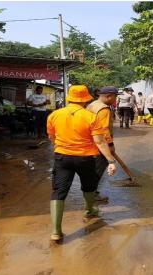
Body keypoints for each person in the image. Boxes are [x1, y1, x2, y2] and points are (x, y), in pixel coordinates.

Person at [46, 85, 117, 241]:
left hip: (62, 158)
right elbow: (99, 141)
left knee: (58, 191)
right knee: (89, 186)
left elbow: (52, 137)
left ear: (69, 98)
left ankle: (56, 231)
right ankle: (90, 209)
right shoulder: (90, 117)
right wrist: (111, 160)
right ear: (85, 99)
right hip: (85, 159)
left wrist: (62, 147)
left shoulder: (54, 115)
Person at [86, 86, 119, 202]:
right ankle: (92, 194)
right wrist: (110, 145)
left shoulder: (92, 104)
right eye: (115, 97)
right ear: (108, 96)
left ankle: (91, 191)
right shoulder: (104, 109)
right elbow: (104, 130)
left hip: (90, 142)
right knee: (99, 168)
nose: (115, 100)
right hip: (100, 144)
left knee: (93, 168)